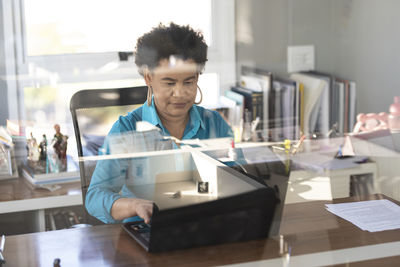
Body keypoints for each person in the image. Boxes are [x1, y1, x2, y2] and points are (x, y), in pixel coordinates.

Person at [86, 23, 233, 224]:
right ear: (149, 78)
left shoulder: (214, 123)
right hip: (148, 231)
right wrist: (133, 205)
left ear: (197, 77)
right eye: (170, 83)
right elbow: (95, 197)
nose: (180, 93)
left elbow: (237, 182)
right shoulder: (127, 129)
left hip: (203, 228)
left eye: (188, 82)